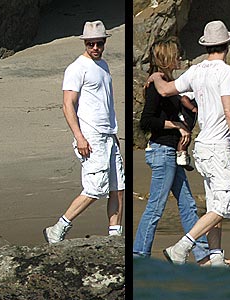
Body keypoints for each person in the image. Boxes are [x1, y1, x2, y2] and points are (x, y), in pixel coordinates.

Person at [148, 20, 230, 266]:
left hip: (202, 147)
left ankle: (216, 258)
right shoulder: (227, 72)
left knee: (215, 205)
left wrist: (155, 77)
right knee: (224, 203)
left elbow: (165, 90)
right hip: (218, 147)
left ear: (207, 46)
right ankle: (181, 247)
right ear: (227, 44)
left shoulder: (196, 70)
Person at [43, 20, 125, 244]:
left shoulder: (104, 66)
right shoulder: (77, 68)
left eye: (99, 43)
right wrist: (79, 136)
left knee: (118, 187)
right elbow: (67, 104)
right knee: (96, 187)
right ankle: (58, 228)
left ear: (104, 42)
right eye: (91, 44)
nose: (95, 48)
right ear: (85, 44)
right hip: (90, 134)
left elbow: (105, 104)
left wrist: (114, 135)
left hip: (108, 134)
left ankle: (115, 235)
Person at [133, 37, 209, 264]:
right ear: (166, 59)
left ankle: (203, 255)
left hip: (171, 153)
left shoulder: (168, 84)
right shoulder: (156, 86)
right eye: (175, 55)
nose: (179, 58)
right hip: (161, 152)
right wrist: (176, 126)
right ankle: (139, 255)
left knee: (187, 205)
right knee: (156, 207)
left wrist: (185, 120)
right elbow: (146, 121)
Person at [176, 92, 198, 170]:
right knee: (185, 137)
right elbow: (184, 99)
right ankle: (181, 158)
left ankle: (184, 158)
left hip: (187, 119)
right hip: (183, 118)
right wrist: (193, 108)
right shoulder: (192, 93)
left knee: (187, 138)